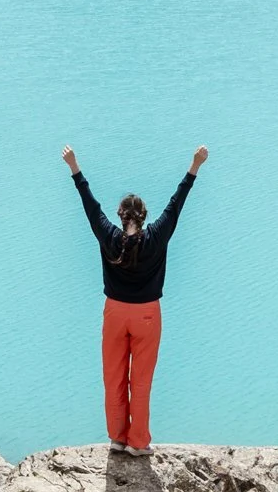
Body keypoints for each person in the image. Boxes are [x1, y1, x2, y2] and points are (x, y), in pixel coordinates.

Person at [62, 142, 208, 454]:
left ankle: (117, 437)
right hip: (147, 316)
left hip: (115, 313)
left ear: (120, 215)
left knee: (113, 376)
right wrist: (194, 165)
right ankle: (138, 442)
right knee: (140, 382)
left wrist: (75, 168)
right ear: (143, 217)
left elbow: (90, 206)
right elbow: (176, 203)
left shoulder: (108, 235)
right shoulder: (156, 236)